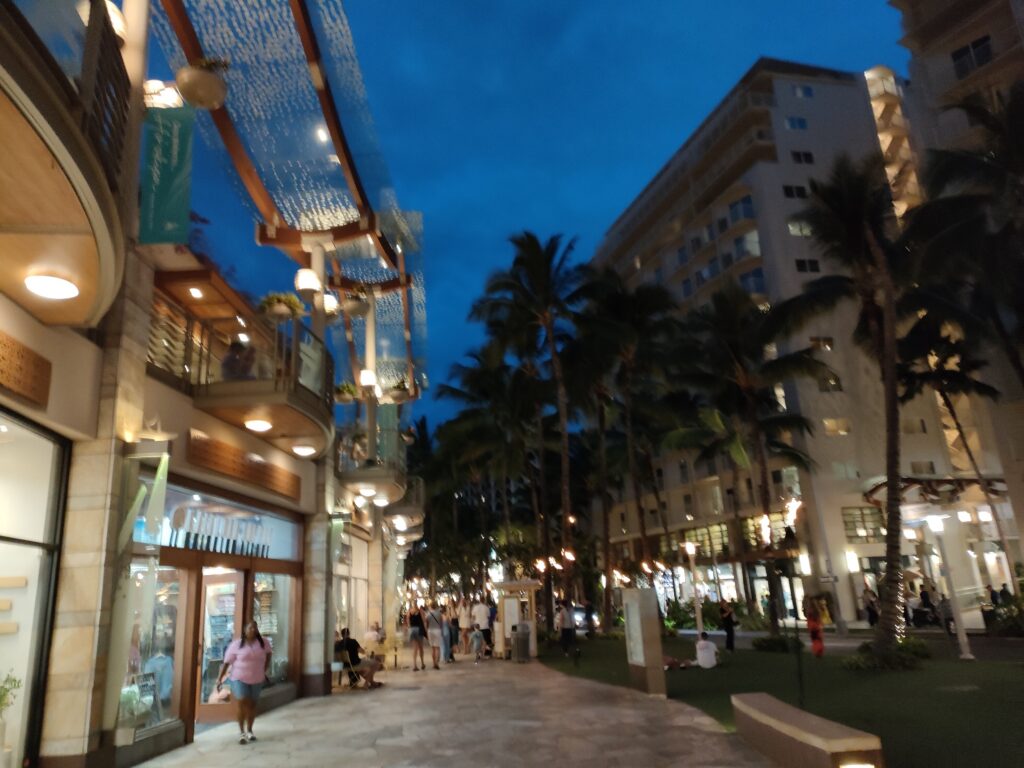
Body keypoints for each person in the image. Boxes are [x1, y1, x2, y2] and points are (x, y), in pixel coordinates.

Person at [216, 620, 271, 745]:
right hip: (239, 678)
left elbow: (268, 655)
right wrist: (219, 679)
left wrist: (264, 669)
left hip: (257, 678)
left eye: (255, 628)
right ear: (245, 630)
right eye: (250, 628)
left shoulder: (263, 643)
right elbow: (227, 662)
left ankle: (250, 730)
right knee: (242, 701)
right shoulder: (236, 645)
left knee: (252, 705)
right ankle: (241, 732)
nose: (253, 630)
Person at [407, 603, 426, 671]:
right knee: (421, 648)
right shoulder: (420, 611)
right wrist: (425, 630)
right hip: (419, 630)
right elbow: (424, 621)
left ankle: (415, 665)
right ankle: (422, 663)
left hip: (412, 630)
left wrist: (410, 628)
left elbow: (408, 622)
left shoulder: (409, 611)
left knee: (415, 648)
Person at [425, 601, 444, 670]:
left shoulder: (428, 614)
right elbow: (441, 623)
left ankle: (434, 663)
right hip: (437, 630)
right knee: (437, 647)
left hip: (430, 631)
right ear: (436, 606)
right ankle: (437, 663)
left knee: (432, 648)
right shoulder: (439, 614)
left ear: (430, 606)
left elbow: (426, 623)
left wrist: (426, 631)